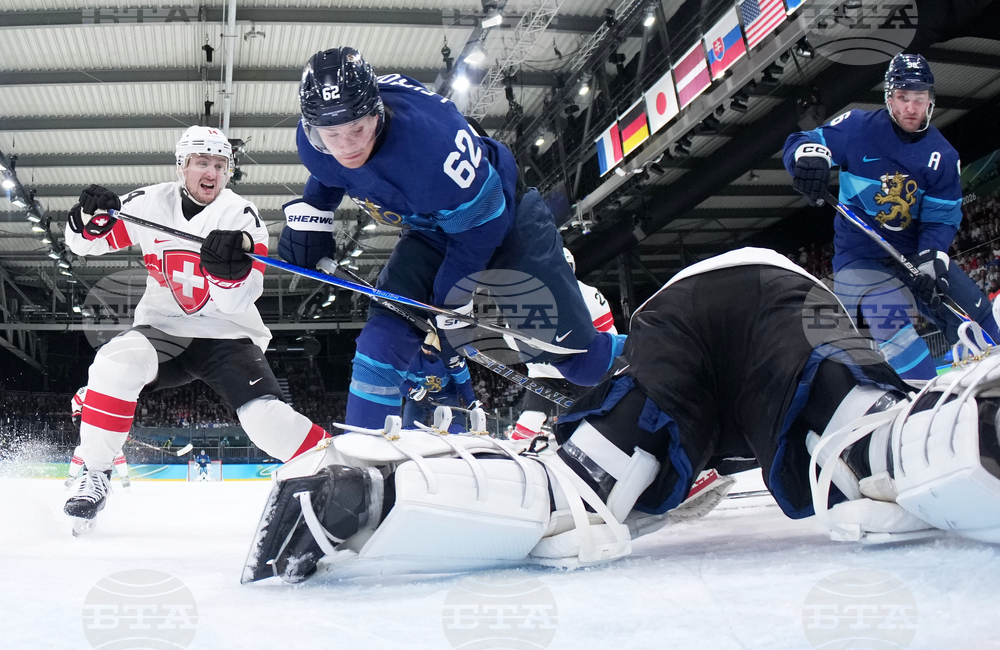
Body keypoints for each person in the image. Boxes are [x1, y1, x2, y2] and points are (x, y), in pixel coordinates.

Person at [242, 247, 1000, 584]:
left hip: (693, 305)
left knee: (580, 493)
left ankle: (364, 492)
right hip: (773, 288)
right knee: (870, 457)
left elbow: (570, 471)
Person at [278, 47, 624, 432]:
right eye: (331, 135)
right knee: (383, 338)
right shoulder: (315, 141)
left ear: (376, 112)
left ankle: (674, 361)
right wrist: (314, 217)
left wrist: (450, 299)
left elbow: (484, 227)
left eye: (357, 129)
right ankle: (362, 466)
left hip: (503, 221)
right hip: (432, 228)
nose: (346, 146)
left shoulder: (430, 150)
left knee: (583, 364)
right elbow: (329, 174)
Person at [62, 126, 330, 536]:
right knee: (114, 362)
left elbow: (238, 301)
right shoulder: (149, 202)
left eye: (221, 165)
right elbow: (85, 246)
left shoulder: (241, 216)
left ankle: (338, 469)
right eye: (202, 163)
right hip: (163, 329)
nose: (212, 172)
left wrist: (228, 274)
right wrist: (86, 220)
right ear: (181, 166)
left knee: (265, 421)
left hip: (227, 332)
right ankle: (94, 473)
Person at [783, 53, 1000, 380]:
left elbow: (940, 218)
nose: (911, 107)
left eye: (919, 98)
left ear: (930, 100)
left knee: (977, 313)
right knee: (891, 322)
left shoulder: (943, 157)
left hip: (912, 251)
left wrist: (931, 260)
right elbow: (804, 141)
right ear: (889, 97)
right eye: (903, 97)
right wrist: (806, 158)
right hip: (859, 257)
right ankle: (922, 406)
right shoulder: (857, 128)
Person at [510, 248, 618, 441]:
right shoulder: (587, 294)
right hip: (578, 370)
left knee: (535, 415)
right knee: (535, 416)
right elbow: (609, 333)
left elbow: (512, 341)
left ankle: (515, 452)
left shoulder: (524, 297)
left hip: (565, 371)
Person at [400, 335, 476, 434]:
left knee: (456, 431)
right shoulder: (411, 356)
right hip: (417, 399)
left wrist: (472, 402)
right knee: (409, 432)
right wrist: (411, 390)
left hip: (446, 397)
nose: (428, 349)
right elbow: (396, 380)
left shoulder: (452, 357)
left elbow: (463, 383)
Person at [65, 387, 130, 490]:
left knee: (115, 451)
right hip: (90, 426)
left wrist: (120, 428)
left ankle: (124, 478)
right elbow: (75, 401)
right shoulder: (87, 390)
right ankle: (71, 477)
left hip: (107, 426)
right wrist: (76, 413)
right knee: (81, 450)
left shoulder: (113, 391)